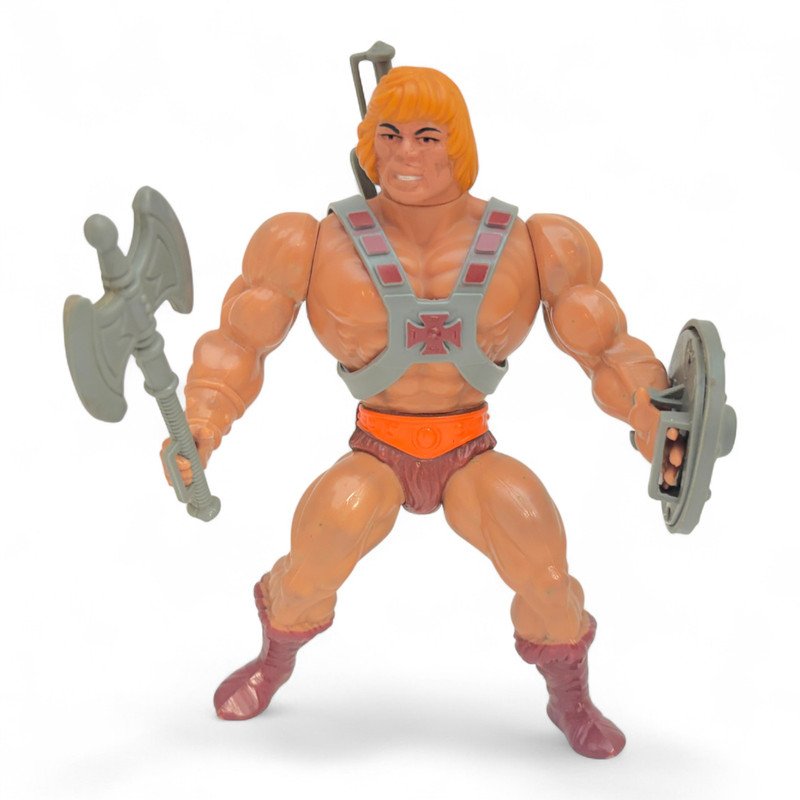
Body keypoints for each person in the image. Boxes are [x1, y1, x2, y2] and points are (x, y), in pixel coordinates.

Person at [166, 65, 682, 759]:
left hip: (470, 446)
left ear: (457, 144)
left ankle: (570, 695)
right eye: (390, 135)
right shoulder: (308, 242)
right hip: (378, 446)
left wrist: (654, 421)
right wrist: (201, 425)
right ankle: (273, 661)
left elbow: (609, 349)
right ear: (368, 142)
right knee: (313, 562)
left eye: (426, 137)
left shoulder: (534, 242)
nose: (405, 153)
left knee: (546, 573)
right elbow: (238, 342)